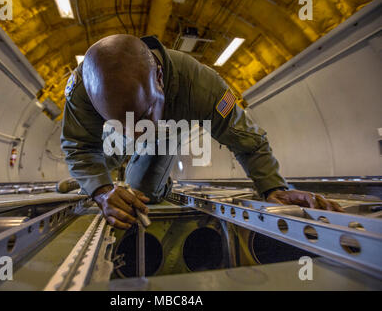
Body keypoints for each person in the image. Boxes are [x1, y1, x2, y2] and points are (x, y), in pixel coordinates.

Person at [60, 34, 343, 230]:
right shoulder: (82, 90)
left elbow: (249, 141)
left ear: (159, 79)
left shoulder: (202, 87)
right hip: (110, 136)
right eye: (124, 122)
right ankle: (88, 177)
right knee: (100, 166)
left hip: (165, 132)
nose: (136, 133)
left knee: (144, 191)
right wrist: (101, 191)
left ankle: (144, 179)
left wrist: (273, 187)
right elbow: (80, 146)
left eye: (144, 114)